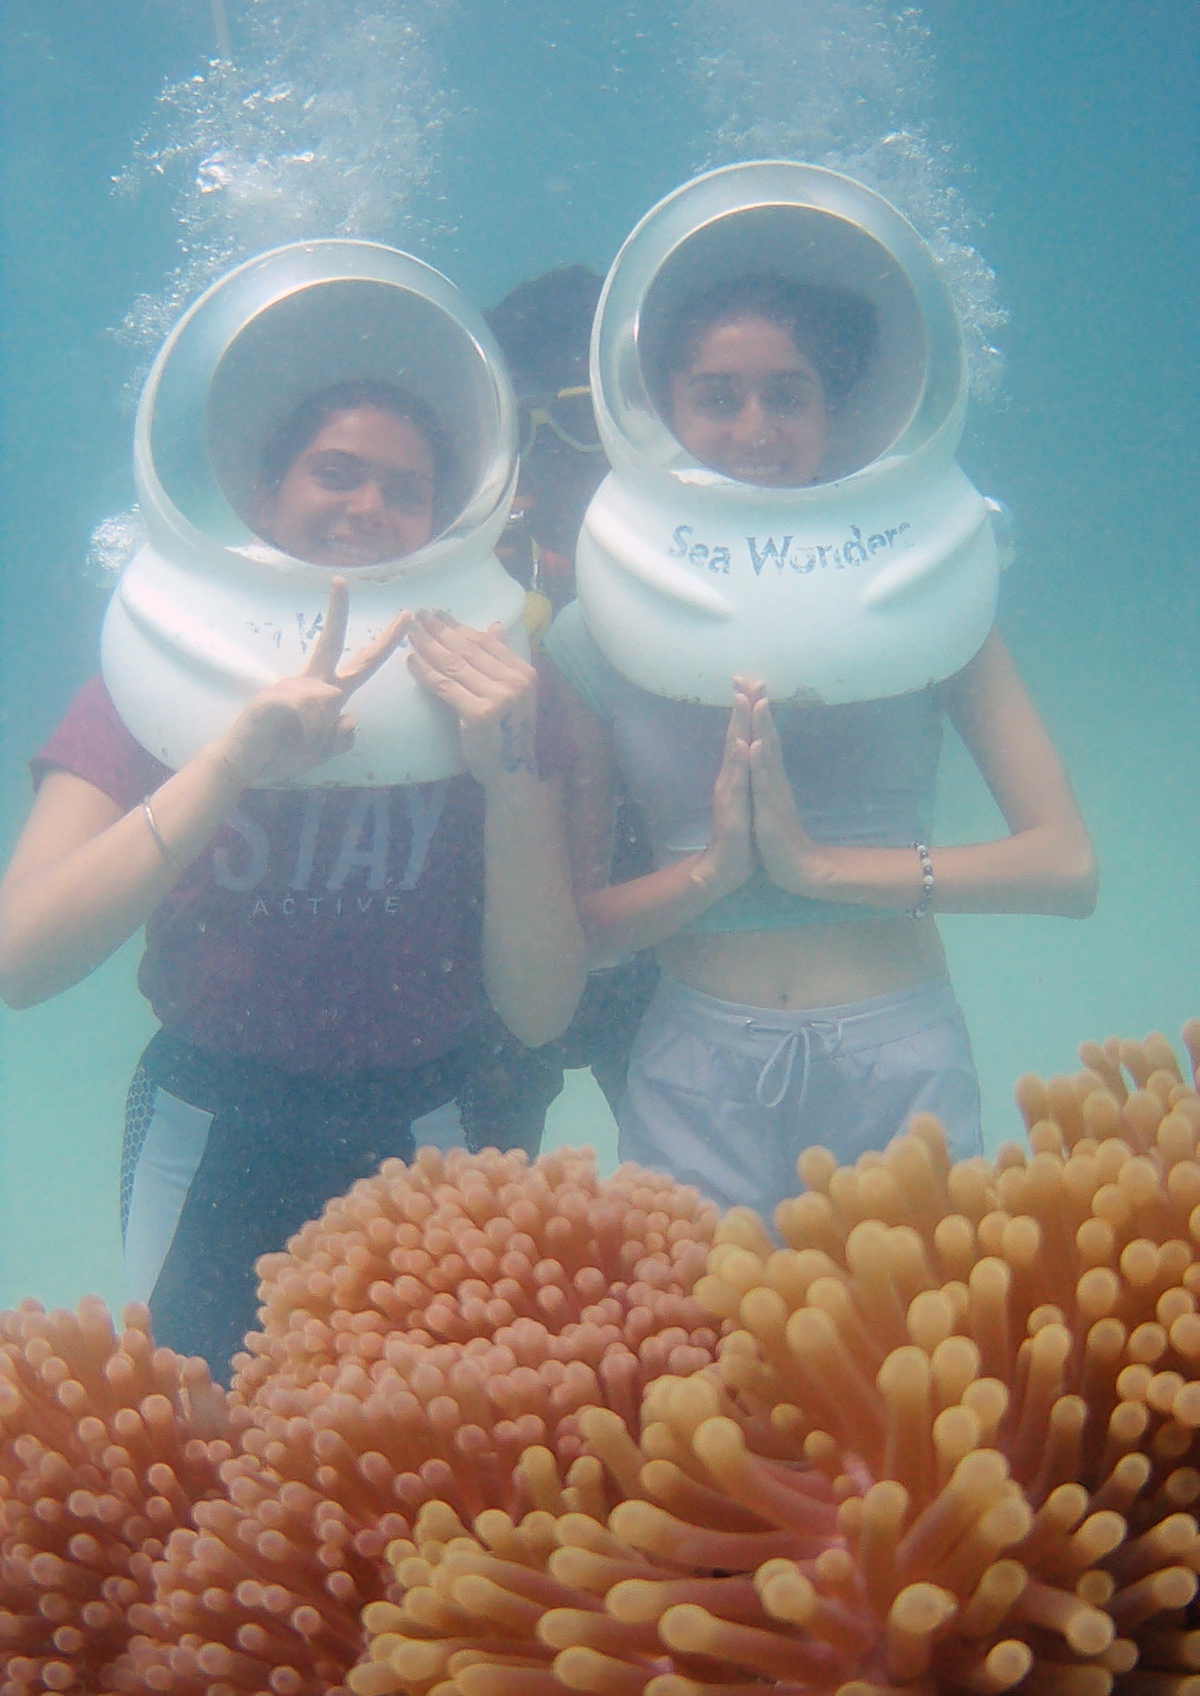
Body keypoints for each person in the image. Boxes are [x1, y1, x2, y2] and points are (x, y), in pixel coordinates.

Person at [0, 377, 585, 1375]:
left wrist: (512, 777)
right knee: (195, 1442)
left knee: (426, 1456)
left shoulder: (501, 693)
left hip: (428, 1112)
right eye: (335, 472)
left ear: (444, 524)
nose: (367, 507)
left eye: (406, 490)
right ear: (262, 497)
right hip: (208, 1117)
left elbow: (539, 1009)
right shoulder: (152, 681)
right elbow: (20, 960)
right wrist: (226, 763)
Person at [545, 273, 1098, 1218]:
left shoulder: (936, 608)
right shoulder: (592, 632)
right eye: (718, 397)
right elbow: (581, 937)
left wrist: (823, 869)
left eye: (788, 394)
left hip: (899, 1055)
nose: (755, 426)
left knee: (911, 1366)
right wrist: (717, 871)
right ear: (660, 416)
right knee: (692, 1366)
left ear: (832, 413)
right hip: (689, 1067)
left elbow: (1065, 868)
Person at [452, 269, 659, 1155]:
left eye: (576, 422)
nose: (544, 459)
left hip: (662, 942)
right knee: (487, 1259)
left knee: (701, 1238)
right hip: (483, 965)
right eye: (518, 428)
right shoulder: (449, 551)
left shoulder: (692, 569)